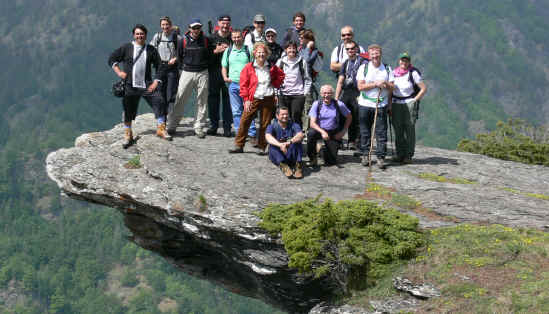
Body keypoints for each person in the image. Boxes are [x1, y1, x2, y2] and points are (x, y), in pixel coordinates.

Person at [109, 24, 170, 148]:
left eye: (141, 34)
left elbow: (160, 66)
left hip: (147, 84)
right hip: (130, 85)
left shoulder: (151, 49)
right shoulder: (127, 48)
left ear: (145, 35)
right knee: (128, 109)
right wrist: (119, 72)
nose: (139, 36)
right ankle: (128, 134)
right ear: (134, 35)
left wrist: (156, 81)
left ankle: (161, 128)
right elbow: (112, 58)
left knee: (159, 100)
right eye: (137, 34)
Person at [228, 42, 285, 154]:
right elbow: (243, 84)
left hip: (268, 97)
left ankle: (262, 147)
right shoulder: (248, 67)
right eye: (258, 52)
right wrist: (246, 99)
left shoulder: (271, 67)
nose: (261, 55)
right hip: (253, 97)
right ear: (254, 53)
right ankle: (239, 145)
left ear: (267, 54)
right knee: (245, 120)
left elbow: (281, 75)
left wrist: (275, 85)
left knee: (265, 123)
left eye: (263, 52)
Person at [167, 18, 211, 138]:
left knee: (202, 101)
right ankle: (172, 125)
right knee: (180, 98)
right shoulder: (183, 40)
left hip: (202, 72)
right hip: (187, 72)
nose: (196, 30)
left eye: (198, 27)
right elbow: (179, 56)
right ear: (189, 28)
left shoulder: (206, 40)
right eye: (194, 28)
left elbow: (209, 55)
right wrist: (184, 68)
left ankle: (199, 126)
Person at [356, 44, 394, 169]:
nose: (375, 56)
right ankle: (365, 155)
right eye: (372, 54)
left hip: (381, 104)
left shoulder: (387, 68)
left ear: (380, 54)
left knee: (381, 132)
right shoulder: (364, 67)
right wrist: (375, 84)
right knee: (365, 131)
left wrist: (385, 83)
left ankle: (381, 157)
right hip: (365, 104)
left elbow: (393, 87)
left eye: (377, 54)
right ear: (369, 55)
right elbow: (360, 87)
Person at [391, 52, 427, 164]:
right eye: (402, 60)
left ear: (409, 62)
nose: (404, 62)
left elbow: (423, 88)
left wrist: (414, 100)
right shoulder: (393, 73)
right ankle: (399, 154)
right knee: (398, 129)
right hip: (395, 103)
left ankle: (408, 155)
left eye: (406, 60)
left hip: (409, 103)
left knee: (409, 129)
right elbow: (390, 89)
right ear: (399, 61)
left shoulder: (413, 73)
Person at [221, 29, 257, 141]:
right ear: (232, 38)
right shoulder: (228, 50)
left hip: (246, 85)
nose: (236, 39)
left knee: (248, 108)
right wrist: (225, 77)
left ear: (242, 37)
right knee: (236, 110)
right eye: (234, 37)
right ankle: (239, 132)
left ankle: (251, 133)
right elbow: (224, 66)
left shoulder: (248, 50)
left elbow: (254, 66)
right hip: (233, 84)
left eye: (238, 37)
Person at [307, 85, 352, 166]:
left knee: (331, 162)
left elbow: (349, 117)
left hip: (333, 132)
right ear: (321, 94)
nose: (326, 95)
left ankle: (321, 150)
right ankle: (312, 158)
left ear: (332, 94)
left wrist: (343, 132)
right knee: (311, 133)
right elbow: (312, 123)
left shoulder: (339, 104)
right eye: (324, 93)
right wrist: (322, 132)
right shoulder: (316, 104)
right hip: (319, 130)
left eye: (329, 93)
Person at [335, 40, 367, 150]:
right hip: (347, 91)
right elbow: (340, 80)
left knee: (356, 114)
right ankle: (338, 139)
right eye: (347, 49)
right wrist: (336, 98)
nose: (350, 51)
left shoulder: (363, 62)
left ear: (356, 49)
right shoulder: (345, 63)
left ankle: (353, 140)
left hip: (358, 91)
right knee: (341, 112)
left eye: (352, 48)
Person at [206, 14, 233, 137]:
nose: (225, 25)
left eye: (227, 23)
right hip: (214, 72)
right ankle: (214, 125)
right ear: (218, 23)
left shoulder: (234, 38)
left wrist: (229, 50)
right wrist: (215, 51)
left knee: (228, 100)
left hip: (229, 73)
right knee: (213, 99)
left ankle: (227, 127)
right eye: (223, 23)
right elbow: (205, 57)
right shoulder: (211, 38)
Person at [150, 16, 181, 119]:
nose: (165, 27)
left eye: (167, 24)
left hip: (172, 67)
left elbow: (182, 52)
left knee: (171, 93)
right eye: (163, 25)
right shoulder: (157, 37)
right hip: (160, 67)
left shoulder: (176, 37)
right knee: (160, 92)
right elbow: (151, 50)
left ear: (170, 25)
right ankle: (162, 117)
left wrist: (175, 59)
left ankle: (170, 117)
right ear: (160, 26)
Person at [276, 40, 312, 129]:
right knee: (283, 117)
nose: (291, 50)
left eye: (293, 48)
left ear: (296, 50)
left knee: (296, 115)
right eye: (289, 48)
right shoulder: (280, 62)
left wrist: (305, 93)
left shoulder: (302, 62)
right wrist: (276, 92)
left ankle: (297, 135)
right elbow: (275, 79)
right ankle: (283, 136)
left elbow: (307, 78)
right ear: (285, 50)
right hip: (283, 94)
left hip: (298, 94)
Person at [265, 106, 305, 179]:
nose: (285, 116)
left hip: (290, 153)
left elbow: (300, 135)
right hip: (278, 155)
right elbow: (268, 137)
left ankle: (298, 166)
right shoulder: (272, 126)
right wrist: (280, 145)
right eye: (282, 114)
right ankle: (284, 166)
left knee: (297, 142)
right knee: (272, 146)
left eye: (286, 114)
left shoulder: (294, 125)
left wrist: (289, 142)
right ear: (277, 116)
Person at [298, 29, 323, 132]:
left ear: (309, 40)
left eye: (302, 37)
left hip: (308, 84)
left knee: (307, 107)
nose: (300, 39)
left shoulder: (315, 52)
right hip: (298, 83)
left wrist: (308, 48)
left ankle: (306, 130)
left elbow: (307, 61)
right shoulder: (300, 49)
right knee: (298, 108)